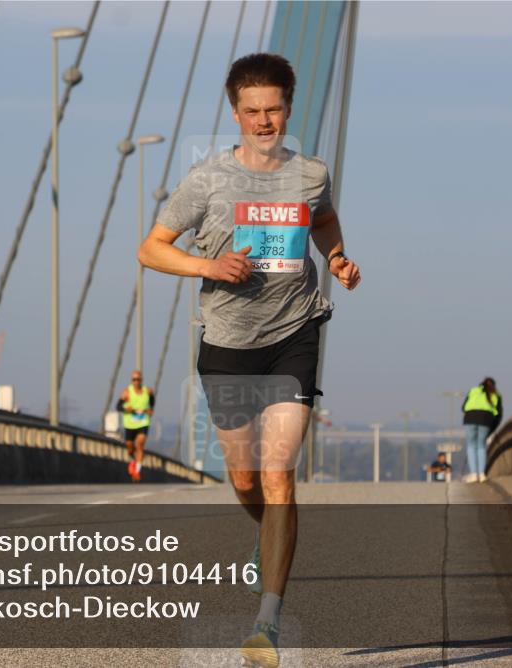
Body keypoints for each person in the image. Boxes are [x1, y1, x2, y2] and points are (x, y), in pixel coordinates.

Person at [138, 52, 360, 667]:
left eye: (274, 110)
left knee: (277, 473)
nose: (264, 121)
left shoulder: (311, 173)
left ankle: (267, 620)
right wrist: (209, 266)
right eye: (252, 112)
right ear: (235, 113)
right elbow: (151, 250)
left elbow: (325, 219)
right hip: (229, 344)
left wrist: (337, 258)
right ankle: (272, 537)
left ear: (289, 106)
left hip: (296, 332)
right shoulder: (206, 182)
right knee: (243, 478)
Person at [116, 370, 154, 482]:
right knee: (129, 447)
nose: (136, 381)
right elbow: (118, 406)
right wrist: (125, 409)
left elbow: (152, 400)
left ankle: (137, 471)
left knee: (140, 445)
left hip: (143, 422)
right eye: (134, 379)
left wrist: (150, 409)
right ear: (131, 380)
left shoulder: (147, 391)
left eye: (138, 379)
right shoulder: (126, 392)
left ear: (141, 380)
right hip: (130, 424)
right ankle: (134, 461)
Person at [462, 377, 502, 483]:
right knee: (481, 446)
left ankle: (473, 474)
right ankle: (482, 474)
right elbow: (498, 415)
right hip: (486, 420)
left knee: (471, 446)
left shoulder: (473, 391)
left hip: (470, 418)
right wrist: (492, 429)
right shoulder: (496, 395)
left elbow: (463, 407)